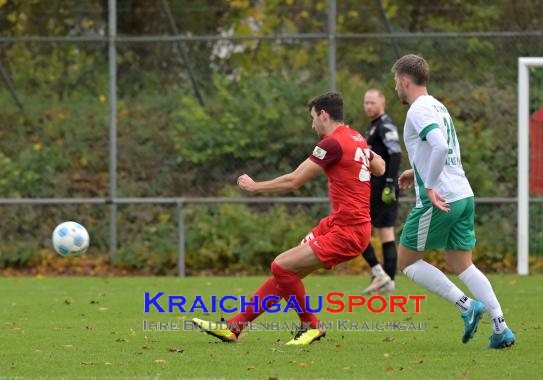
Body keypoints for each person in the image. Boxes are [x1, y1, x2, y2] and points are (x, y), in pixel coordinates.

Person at [191, 92, 385, 345]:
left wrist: (255, 186)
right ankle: (234, 327)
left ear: (324, 115)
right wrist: (370, 156)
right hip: (338, 224)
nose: (312, 124)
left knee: (281, 266)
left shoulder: (332, 143)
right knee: (286, 274)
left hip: (348, 231)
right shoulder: (356, 137)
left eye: (313, 118)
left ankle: (311, 326)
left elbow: (294, 180)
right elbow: (379, 167)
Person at [392, 54, 515, 349]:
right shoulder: (437, 105)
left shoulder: (418, 109)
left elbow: (440, 145)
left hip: (441, 198)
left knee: (405, 262)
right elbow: (440, 151)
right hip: (463, 194)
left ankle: (465, 306)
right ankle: (501, 328)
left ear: (405, 81)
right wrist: (418, 171)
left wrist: (430, 185)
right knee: (462, 264)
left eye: (395, 82)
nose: (395, 87)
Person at [361, 88, 402, 295]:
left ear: (382, 103)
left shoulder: (385, 126)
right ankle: (386, 279)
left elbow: (396, 154)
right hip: (373, 188)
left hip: (382, 189)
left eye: (372, 103)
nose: (368, 106)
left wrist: (389, 183)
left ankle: (384, 277)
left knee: (369, 231)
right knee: (380, 231)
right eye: (366, 103)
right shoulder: (373, 127)